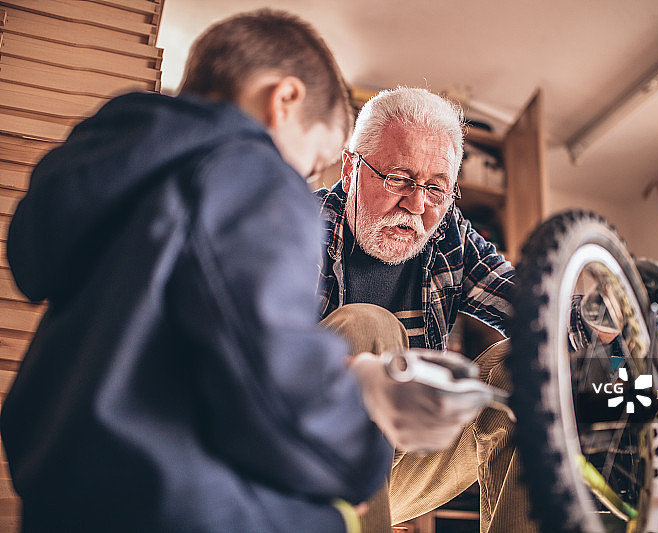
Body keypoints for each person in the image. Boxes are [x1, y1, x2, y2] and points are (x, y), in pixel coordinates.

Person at [0, 10, 398, 533]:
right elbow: (267, 370)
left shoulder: (117, 164)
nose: (301, 181)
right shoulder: (248, 171)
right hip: (175, 505)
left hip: (55, 498)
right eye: (309, 163)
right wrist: (359, 459)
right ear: (284, 99)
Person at [315, 87, 538, 532]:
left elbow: (532, 307)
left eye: (436, 188)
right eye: (399, 179)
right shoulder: (299, 228)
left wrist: (604, 317)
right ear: (350, 168)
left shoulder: (449, 235)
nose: (417, 205)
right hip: (299, 462)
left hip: (404, 467)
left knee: (523, 360)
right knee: (367, 324)